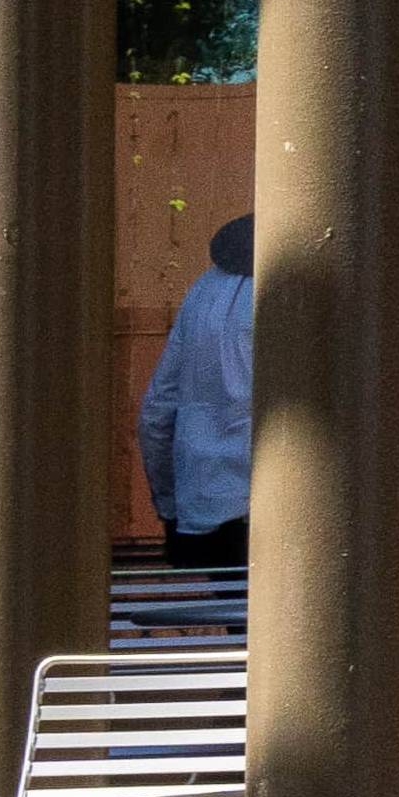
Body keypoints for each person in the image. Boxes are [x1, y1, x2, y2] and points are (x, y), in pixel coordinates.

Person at [142, 215, 256, 565]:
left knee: (239, 616)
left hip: (208, 502)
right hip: (299, 508)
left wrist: (169, 507)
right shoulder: (325, 289)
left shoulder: (203, 291)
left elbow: (157, 411)